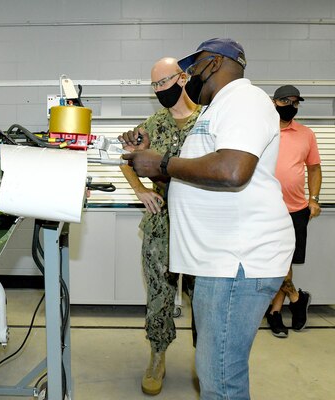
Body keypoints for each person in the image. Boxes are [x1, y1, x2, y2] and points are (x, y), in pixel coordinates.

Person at [122, 38, 295, 400]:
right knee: (217, 371)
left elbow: (233, 170)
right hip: (219, 261)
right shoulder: (220, 109)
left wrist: (163, 163)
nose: (188, 76)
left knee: (220, 379)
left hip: (237, 262)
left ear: (213, 64)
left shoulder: (243, 100)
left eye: (193, 66)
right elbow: (195, 174)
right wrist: (150, 163)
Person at [118, 57, 200, 396]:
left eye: (163, 82)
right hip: (161, 223)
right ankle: (157, 355)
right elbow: (126, 159)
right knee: (159, 295)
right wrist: (140, 190)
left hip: (200, 222)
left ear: (182, 78)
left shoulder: (208, 121)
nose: (159, 90)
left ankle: (205, 359)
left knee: (204, 297)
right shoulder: (152, 124)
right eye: (153, 85)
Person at [265, 85, 322, 338]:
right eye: (285, 100)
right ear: (274, 102)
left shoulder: (306, 134)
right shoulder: (262, 130)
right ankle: (297, 299)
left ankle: (276, 312)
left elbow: (314, 169)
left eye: (295, 102)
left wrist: (314, 199)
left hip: (297, 210)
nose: (291, 105)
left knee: (286, 263)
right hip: (266, 210)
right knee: (273, 264)